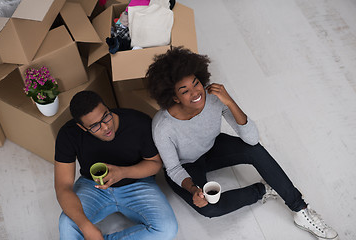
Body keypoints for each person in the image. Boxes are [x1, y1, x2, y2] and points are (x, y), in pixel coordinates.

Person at [145, 47, 338, 240]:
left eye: (196, 84)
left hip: (212, 147)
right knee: (210, 209)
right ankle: (264, 189)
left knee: (254, 150)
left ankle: (301, 210)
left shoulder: (213, 98)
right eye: (184, 91)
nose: (195, 92)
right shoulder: (163, 126)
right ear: (174, 97)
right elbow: (173, 169)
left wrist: (229, 101)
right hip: (186, 166)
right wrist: (193, 189)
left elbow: (252, 139)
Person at [54, 91, 178, 240]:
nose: (106, 127)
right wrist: (85, 227)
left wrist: (123, 172)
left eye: (106, 116)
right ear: (82, 127)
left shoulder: (138, 122)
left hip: (137, 182)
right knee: (67, 225)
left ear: (107, 108)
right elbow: (63, 187)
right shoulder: (68, 134)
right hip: (93, 186)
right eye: (95, 126)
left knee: (167, 228)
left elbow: (155, 163)